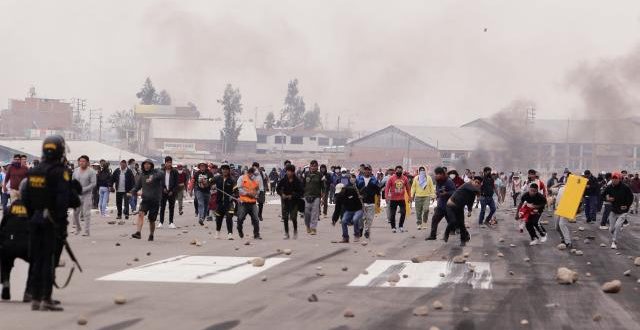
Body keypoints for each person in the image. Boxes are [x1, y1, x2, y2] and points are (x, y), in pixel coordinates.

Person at [22, 135, 79, 311]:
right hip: (53, 223)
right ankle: (46, 298)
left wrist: (34, 215)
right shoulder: (60, 172)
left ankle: (35, 297)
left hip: (35, 221)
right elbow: (64, 200)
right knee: (49, 260)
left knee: (37, 260)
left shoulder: (34, 171)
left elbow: (26, 198)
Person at [0, 188, 32, 301]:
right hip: (26, 245)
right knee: (35, 263)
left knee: (5, 262)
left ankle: (5, 281)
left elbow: (2, 228)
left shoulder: (8, 210)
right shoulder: (29, 210)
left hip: (9, 244)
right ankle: (29, 291)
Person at [129, 159, 164, 241]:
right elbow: (137, 186)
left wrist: (153, 177)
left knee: (152, 220)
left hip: (155, 200)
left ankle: (151, 234)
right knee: (140, 213)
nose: (147, 166)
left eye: (149, 164)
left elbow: (162, 174)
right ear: (143, 165)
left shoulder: (156, 172)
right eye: (145, 164)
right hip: (145, 199)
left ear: (151, 165)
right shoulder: (142, 175)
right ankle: (138, 233)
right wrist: (132, 191)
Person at [444, 176, 482, 246]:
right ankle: (446, 233)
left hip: (459, 208)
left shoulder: (473, 193)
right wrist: (479, 193)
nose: (476, 184)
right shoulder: (467, 185)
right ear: (472, 181)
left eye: (478, 183)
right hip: (451, 206)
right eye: (476, 182)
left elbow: (470, 202)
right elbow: (475, 189)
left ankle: (463, 240)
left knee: (462, 225)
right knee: (453, 221)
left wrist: (469, 211)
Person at [603, 172, 634, 249]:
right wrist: (607, 198)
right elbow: (602, 195)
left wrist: (626, 206)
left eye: (616, 178)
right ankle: (615, 234)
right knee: (611, 229)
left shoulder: (625, 187)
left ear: (619, 179)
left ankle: (614, 241)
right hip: (613, 210)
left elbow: (631, 197)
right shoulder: (609, 187)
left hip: (623, 211)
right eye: (613, 178)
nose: (614, 180)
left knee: (617, 226)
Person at [426, 167, 456, 240]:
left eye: (438, 174)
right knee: (434, 219)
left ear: (442, 174)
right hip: (441, 206)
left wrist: (446, 193)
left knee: (451, 220)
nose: (436, 175)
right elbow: (438, 191)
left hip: (449, 206)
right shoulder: (438, 181)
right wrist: (438, 194)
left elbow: (454, 192)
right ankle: (433, 235)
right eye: (436, 174)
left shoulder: (449, 182)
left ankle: (454, 230)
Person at [277, 164, 303, 239]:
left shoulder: (297, 181)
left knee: (293, 217)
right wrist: (282, 194)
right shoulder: (283, 180)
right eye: (287, 171)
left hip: (294, 202)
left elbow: (301, 192)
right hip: (285, 201)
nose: (288, 173)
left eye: (290, 171)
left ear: (293, 172)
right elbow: (278, 189)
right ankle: (286, 233)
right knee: (285, 217)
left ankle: (295, 231)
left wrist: (292, 196)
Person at [72, 155, 96, 236]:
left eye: (83, 161)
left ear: (88, 163)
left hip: (87, 195)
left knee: (86, 213)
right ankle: (78, 228)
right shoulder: (75, 171)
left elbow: (93, 183)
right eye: (80, 161)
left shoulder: (91, 171)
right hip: (77, 195)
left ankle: (87, 231)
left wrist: (84, 189)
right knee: (75, 213)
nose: (81, 163)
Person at [236, 166, 262, 239]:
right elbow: (239, 189)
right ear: (249, 173)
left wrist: (256, 194)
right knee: (240, 218)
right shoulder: (242, 178)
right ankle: (239, 229)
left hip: (253, 203)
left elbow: (258, 190)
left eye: (255, 175)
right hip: (244, 203)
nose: (254, 176)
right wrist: (247, 194)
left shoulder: (256, 180)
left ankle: (256, 234)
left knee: (256, 219)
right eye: (253, 174)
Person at [356, 164, 380, 240]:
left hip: (371, 203)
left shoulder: (374, 180)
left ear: (371, 171)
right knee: (361, 219)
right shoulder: (359, 179)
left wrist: (378, 201)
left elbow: (378, 192)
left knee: (369, 218)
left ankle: (367, 231)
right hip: (361, 203)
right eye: (365, 169)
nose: (367, 171)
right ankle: (360, 228)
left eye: (368, 170)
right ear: (363, 171)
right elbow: (356, 191)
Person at [302, 160, 325, 235]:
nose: (313, 167)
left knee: (315, 213)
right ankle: (308, 226)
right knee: (307, 213)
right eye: (312, 166)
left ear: (317, 167)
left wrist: (323, 198)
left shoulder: (320, 175)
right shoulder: (305, 174)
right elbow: (302, 185)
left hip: (317, 197)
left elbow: (323, 187)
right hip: (306, 196)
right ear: (310, 166)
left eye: (315, 166)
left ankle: (313, 228)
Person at [385, 165, 411, 233]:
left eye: (400, 170)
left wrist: (410, 197)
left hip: (401, 199)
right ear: (395, 171)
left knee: (403, 212)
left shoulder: (405, 178)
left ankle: (401, 226)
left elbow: (408, 189)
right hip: (393, 199)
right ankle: (393, 227)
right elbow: (387, 188)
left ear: (402, 171)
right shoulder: (391, 178)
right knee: (392, 214)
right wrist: (386, 197)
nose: (399, 172)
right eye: (397, 170)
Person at [213, 164, 236, 240]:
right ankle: (217, 232)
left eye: (226, 169)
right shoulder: (217, 178)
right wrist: (211, 185)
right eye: (223, 169)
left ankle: (230, 234)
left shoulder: (232, 180)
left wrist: (233, 195)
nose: (225, 170)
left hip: (228, 203)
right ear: (221, 170)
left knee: (229, 217)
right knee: (218, 218)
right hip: (219, 202)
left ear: (228, 171)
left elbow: (236, 191)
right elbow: (208, 182)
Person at [411, 166, 435, 231]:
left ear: (425, 170)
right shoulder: (416, 178)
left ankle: (424, 222)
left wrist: (433, 196)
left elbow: (431, 187)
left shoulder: (429, 178)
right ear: (419, 171)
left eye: (423, 170)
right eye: (421, 170)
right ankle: (419, 223)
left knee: (426, 210)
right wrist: (412, 195)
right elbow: (413, 187)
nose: (422, 171)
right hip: (418, 197)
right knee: (418, 212)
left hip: (426, 196)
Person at [158, 156, 178, 229]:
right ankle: (161, 222)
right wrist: (163, 188)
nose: (169, 164)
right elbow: (159, 181)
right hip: (163, 191)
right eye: (167, 162)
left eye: (170, 162)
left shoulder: (175, 171)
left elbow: (176, 183)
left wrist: (172, 191)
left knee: (171, 207)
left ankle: (171, 222)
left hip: (171, 192)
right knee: (162, 207)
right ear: (165, 163)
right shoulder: (161, 171)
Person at [553, 182, 572, 248]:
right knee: (557, 227)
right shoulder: (560, 188)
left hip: (566, 208)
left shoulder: (572, 190)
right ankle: (563, 238)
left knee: (562, 224)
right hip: (558, 208)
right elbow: (550, 189)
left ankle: (568, 242)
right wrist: (558, 184)